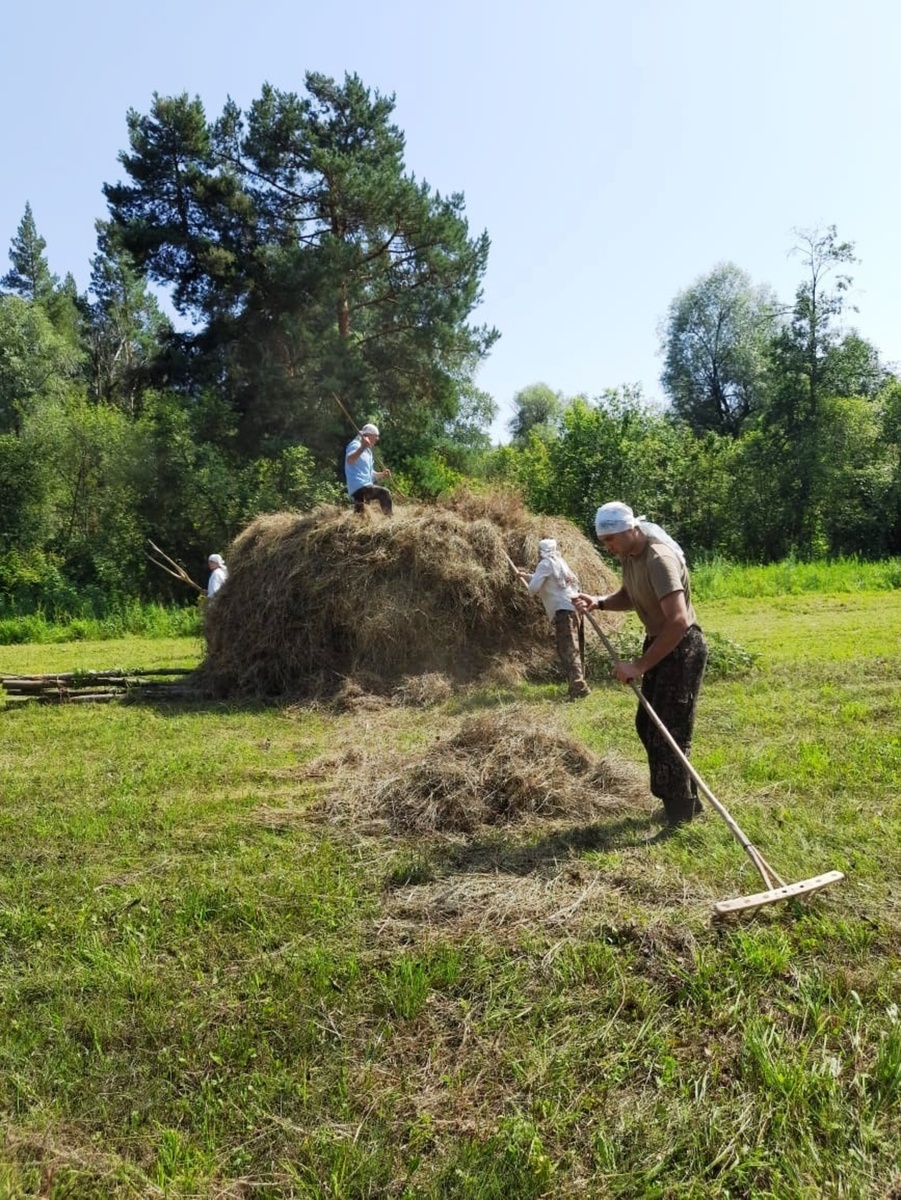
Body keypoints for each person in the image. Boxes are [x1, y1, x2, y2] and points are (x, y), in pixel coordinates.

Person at [573, 502, 708, 825]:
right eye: (604, 541)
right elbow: (631, 595)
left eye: (612, 539)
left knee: (669, 733)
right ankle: (686, 801)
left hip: (681, 648)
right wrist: (600, 602)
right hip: (661, 643)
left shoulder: (658, 559)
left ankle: (680, 815)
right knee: (648, 725)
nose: (608, 547)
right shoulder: (631, 556)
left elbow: (676, 622)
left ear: (631, 529)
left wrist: (639, 666)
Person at [519, 538, 590, 700]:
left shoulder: (544, 564)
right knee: (574, 648)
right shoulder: (560, 562)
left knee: (568, 650)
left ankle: (578, 688)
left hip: (563, 611)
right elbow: (549, 580)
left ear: (541, 551)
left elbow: (534, 589)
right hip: (574, 607)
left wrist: (529, 583)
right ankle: (579, 683)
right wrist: (526, 576)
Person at [345, 423, 393, 516]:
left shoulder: (368, 452)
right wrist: (362, 447)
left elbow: (371, 474)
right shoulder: (355, 445)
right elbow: (349, 460)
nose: (377, 439)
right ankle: (389, 519)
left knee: (361, 517)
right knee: (384, 493)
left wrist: (382, 474)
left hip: (363, 487)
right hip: (359, 486)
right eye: (376, 436)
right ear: (368, 436)